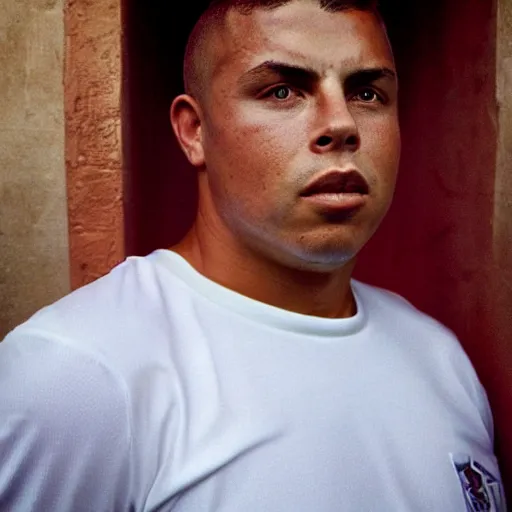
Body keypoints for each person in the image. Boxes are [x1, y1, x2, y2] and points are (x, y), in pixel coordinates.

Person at [0, 0, 506, 510]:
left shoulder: (440, 359)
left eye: (367, 93)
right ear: (194, 131)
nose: (342, 124)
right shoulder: (79, 374)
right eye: (282, 91)